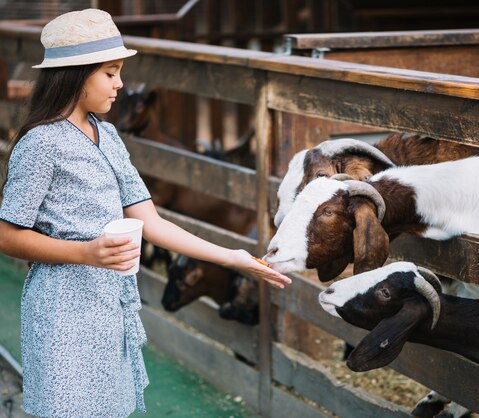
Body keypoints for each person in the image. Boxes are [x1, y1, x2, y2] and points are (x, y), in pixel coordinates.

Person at [0, 8, 291, 418]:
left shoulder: (110, 135)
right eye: (110, 73)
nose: (120, 84)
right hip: (62, 311)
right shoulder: (41, 144)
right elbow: (8, 235)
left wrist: (233, 257)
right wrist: (87, 253)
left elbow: (150, 222)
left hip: (110, 306)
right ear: (76, 74)